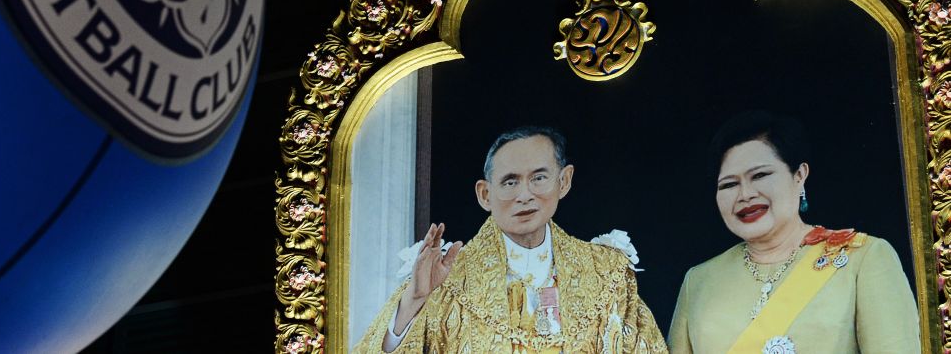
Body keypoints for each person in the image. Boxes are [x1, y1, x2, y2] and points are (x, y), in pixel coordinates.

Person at [354, 126, 666, 353]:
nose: (525, 195)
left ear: (564, 181)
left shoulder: (607, 273)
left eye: (539, 178)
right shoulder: (445, 279)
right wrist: (415, 299)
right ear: (485, 194)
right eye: (510, 182)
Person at [668, 110, 920, 353]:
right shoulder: (699, 281)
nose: (745, 194)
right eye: (729, 184)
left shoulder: (864, 259)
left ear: (799, 175)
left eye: (760, 175)